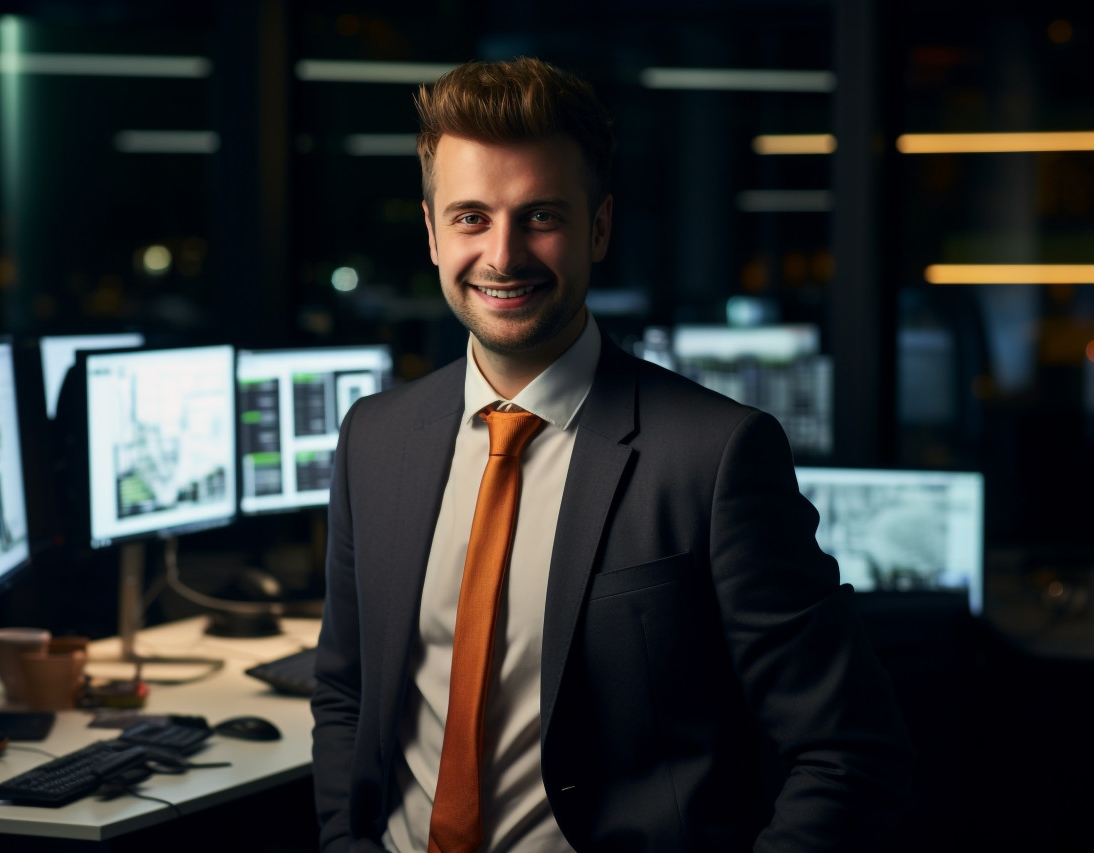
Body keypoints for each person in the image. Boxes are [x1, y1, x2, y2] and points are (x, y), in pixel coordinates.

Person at [311, 56, 913, 853]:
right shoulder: (373, 438)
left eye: (540, 217)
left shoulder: (717, 455)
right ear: (430, 232)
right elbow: (346, 693)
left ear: (597, 227)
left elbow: (847, 749)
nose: (502, 254)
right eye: (470, 218)